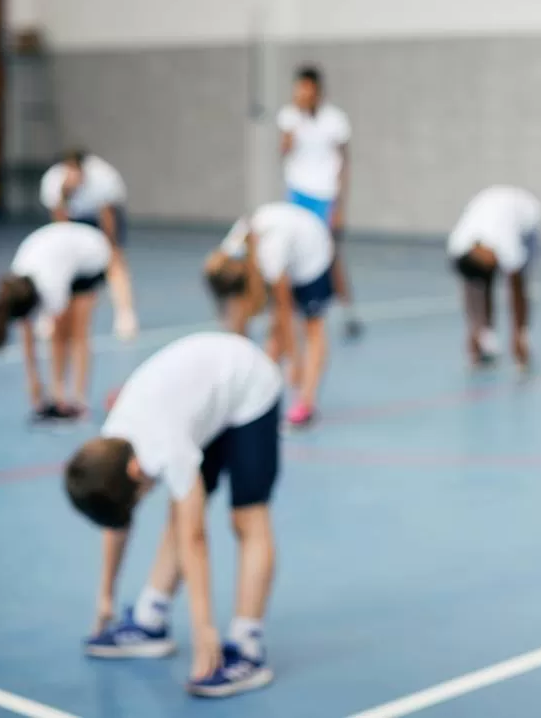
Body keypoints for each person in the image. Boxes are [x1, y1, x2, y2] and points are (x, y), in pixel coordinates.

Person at [63, 331, 282, 698]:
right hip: (204, 400)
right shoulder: (111, 447)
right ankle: (151, 619)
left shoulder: (165, 445)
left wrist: (203, 630)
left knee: (246, 518)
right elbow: (116, 522)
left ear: (136, 471)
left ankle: (247, 645)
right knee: (178, 511)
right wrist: (105, 598)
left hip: (248, 387)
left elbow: (194, 537)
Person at [203, 201, 334, 426]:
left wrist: (295, 362)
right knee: (274, 332)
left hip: (311, 251)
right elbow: (238, 322)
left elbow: (285, 313)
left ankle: (305, 403)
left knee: (312, 327)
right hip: (282, 246)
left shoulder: (270, 257)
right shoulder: (228, 257)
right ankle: (256, 391)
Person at [0, 221, 112, 420]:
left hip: (91, 254)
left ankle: (79, 399)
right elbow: (26, 332)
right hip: (62, 250)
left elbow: (59, 335)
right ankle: (58, 393)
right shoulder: (16, 281)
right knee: (60, 335)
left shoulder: (51, 286)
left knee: (76, 331)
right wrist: (33, 380)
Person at [278, 66, 362, 339]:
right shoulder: (290, 116)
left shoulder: (335, 120)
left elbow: (343, 162)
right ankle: (293, 312)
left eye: (307, 89)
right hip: (298, 194)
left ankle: (347, 312)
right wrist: (295, 121)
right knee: (294, 255)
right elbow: (284, 150)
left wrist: (339, 206)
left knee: (331, 255)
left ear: (317, 90)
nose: (303, 93)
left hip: (325, 196)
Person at [39, 148, 138, 341]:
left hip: (100, 218)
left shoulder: (103, 179)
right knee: (60, 265)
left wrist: (111, 247)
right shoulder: (52, 182)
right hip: (73, 219)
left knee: (114, 262)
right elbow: (59, 223)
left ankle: (126, 315)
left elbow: (107, 217)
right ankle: (51, 317)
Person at [446, 185, 541, 369]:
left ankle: (523, 336)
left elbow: (517, 289)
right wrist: (474, 329)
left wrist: (519, 335)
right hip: (486, 202)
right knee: (480, 283)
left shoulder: (507, 242)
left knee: (521, 277)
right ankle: (486, 336)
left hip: (528, 214)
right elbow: (470, 286)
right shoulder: (457, 246)